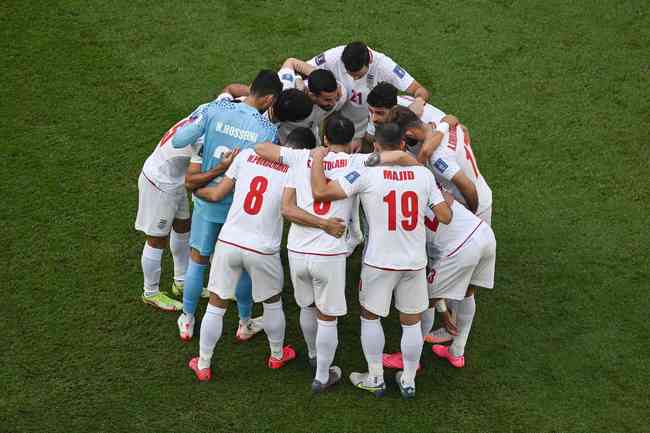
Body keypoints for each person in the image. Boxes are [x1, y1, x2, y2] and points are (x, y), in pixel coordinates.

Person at [309, 123, 452, 399]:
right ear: (402, 145)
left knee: (370, 316)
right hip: (414, 261)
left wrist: (317, 160)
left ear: (375, 147)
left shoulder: (365, 172)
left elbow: (323, 193)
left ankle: (375, 376)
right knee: (411, 321)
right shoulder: (423, 175)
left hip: (379, 261)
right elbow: (445, 216)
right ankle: (408, 380)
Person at [187, 129, 314, 382]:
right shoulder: (299, 171)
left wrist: (193, 190)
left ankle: (203, 364)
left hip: (229, 240)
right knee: (272, 302)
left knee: (216, 303)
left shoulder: (246, 156)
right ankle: (277, 355)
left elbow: (215, 195)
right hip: (263, 248)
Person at [171, 70, 281, 342]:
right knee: (241, 267)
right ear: (268, 99)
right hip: (238, 207)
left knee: (198, 260)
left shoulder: (215, 109)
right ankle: (244, 322)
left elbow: (178, 140)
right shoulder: (267, 131)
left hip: (207, 199)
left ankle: (187, 318)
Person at [303, 42, 431, 150]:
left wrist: (419, 101)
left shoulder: (384, 66)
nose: (354, 78)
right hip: (334, 124)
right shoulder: (335, 56)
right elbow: (303, 67)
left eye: (359, 76)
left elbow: (419, 89)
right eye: (349, 74)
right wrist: (298, 80)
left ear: (369, 62)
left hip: (365, 131)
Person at [276, 60, 347, 144]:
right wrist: (297, 78)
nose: (333, 103)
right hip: (285, 142)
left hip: (313, 141)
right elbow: (290, 62)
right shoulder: (286, 94)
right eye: (327, 100)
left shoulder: (340, 95)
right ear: (312, 95)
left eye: (335, 98)